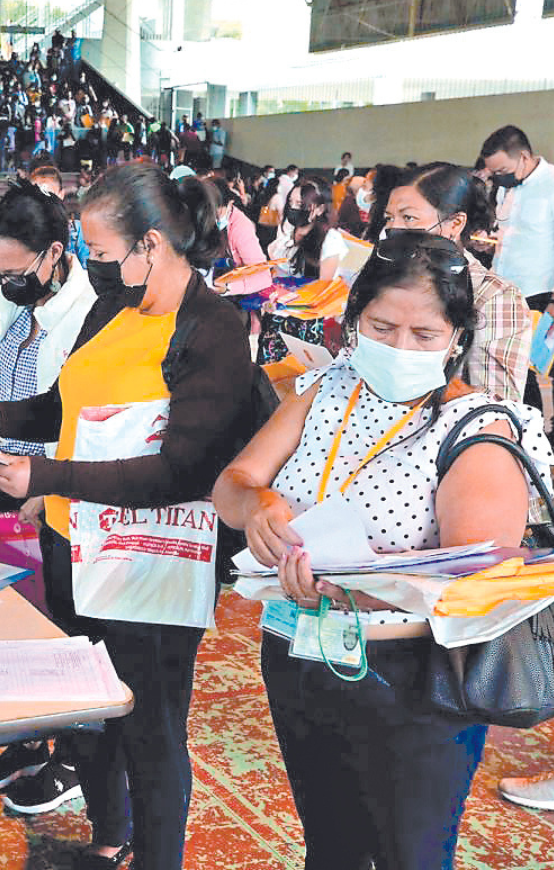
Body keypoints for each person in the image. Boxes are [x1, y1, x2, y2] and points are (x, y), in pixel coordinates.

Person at [213, 230, 552, 870]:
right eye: (381, 325)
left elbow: (479, 586)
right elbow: (234, 482)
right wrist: (257, 506)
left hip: (410, 684)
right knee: (331, 849)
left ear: (457, 338)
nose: (400, 346)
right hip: (297, 654)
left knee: (411, 855)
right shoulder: (328, 388)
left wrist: (359, 587)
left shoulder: (478, 430)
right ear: (353, 320)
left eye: (424, 335)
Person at [0, 164, 257, 870]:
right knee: (86, 713)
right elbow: (67, 401)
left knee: (150, 728)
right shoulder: (112, 306)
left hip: (155, 559)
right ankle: (109, 837)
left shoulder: (211, 331)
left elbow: (179, 471)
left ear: (151, 244)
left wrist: (47, 474)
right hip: (73, 539)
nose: (95, 268)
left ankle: (156, 857)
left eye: (103, 254)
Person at [0, 180, 98, 810]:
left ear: (55, 253)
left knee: (67, 628)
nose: (4, 284)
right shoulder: (13, 308)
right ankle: (34, 737)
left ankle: (72, 758)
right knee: (23, 619)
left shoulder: (87, 317)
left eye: (15, 272)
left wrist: (49, 487)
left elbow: (81, 420)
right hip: (9, 487)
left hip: (56, 495)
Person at [382, 162, 529, 403]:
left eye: (408, 217)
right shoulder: (386, 277)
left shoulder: (493, 296)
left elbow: (497, 405)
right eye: (389, 218)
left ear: (455, 224)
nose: (393, 228)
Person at [259, 178, 348, 363]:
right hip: (275, 315)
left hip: (303, 321)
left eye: (300, 204)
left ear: (320, 208)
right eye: (290, 202)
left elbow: (322, 289)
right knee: (267, 372)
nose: (293, 208)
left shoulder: (330, 239)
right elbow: (275, 273)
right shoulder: (286, 231)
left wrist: (288, 296)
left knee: (295, 375)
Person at [480, 125, 554, 307]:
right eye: (494, 173)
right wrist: (489, 244)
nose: (499, 178)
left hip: (537, 292)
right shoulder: (505, 188)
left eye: (503, 171)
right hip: (501, 285)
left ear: (524, 157)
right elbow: (513, 232)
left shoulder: (550, 183)